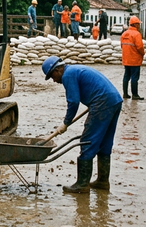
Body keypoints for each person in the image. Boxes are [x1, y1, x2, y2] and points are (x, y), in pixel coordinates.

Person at [42, 56, 123, 193]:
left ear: (57, 70)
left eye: (52, 76)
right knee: (104, 141)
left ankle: (82, 184)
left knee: (87, 141)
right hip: (114, 100)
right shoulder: (75, 70)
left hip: (102, 103)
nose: (54, 80)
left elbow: (73, 101)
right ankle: (102, 181)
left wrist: (66, 123)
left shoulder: (68, 75)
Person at [121, 16, 145, 100]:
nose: (139, 26)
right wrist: (143, 53)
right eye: (138, 24)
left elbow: (122, 46)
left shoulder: (124, 34)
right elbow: (140, 47)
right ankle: (135, 95)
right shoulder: (137, 34)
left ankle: (125, 94)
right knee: (134, 78)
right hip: (135, 60)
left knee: (126, 76)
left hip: (126, 59)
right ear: (135, 24)